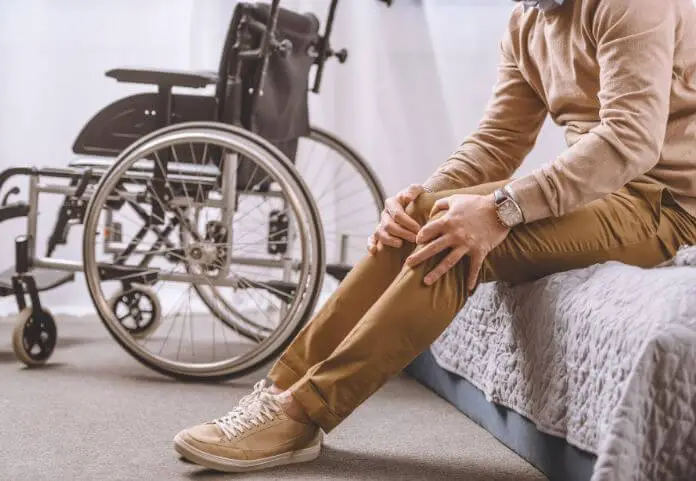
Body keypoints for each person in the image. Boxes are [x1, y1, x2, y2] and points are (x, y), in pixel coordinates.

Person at [173, 0, 696, 472]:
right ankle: (280, 389)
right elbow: (499, 139)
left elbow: (630, 140)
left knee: (455, 239)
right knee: (428, 215)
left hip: (666, 202)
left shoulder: (630, 5)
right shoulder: (527, 21)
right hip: (600, 188)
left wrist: (501, 210)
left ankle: (304, 413)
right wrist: (420, 197)